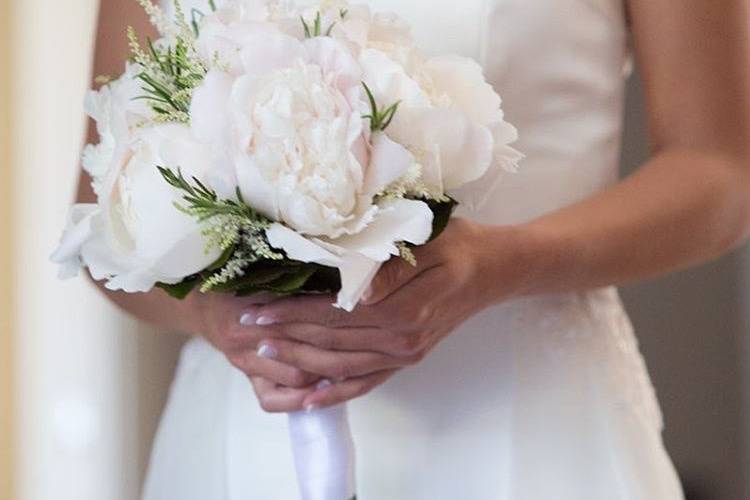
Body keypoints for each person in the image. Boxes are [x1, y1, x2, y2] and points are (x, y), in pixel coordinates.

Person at [79, 0, 750, 498]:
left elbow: (720, 172)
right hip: (245, 445)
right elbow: (102, 218)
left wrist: (504, 264)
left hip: (537, 433)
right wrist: (218, 318)